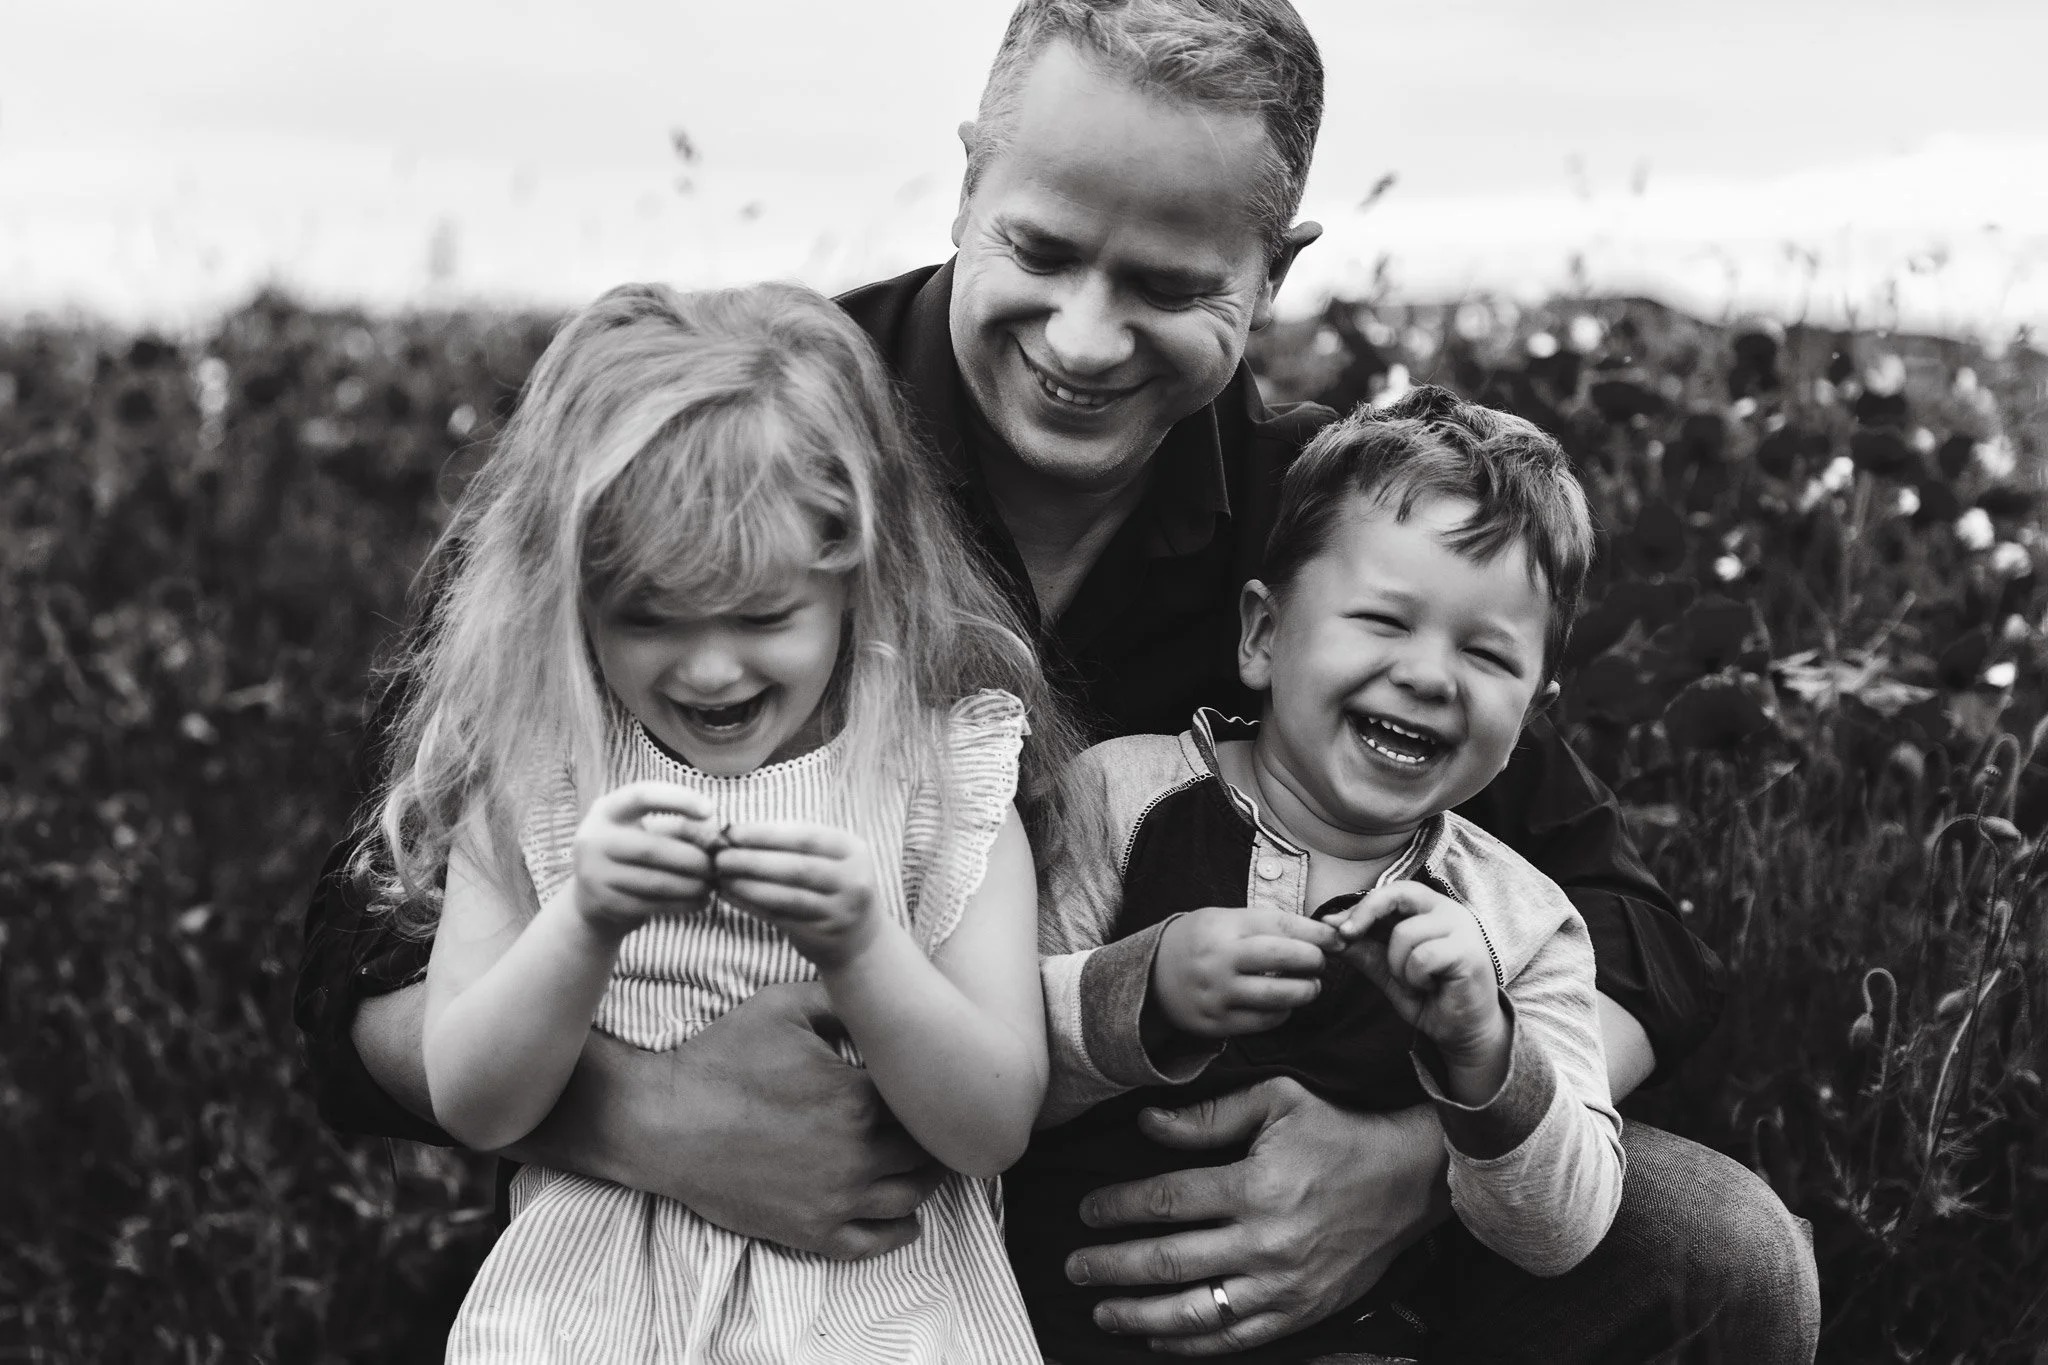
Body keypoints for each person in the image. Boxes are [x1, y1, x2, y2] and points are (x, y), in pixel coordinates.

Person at [296, 1, 1819, 1359]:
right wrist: (646, 1120)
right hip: (777, 1235)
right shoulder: (740, 449)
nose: (1086, 337)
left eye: (1169, 283)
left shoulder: (1327, 537)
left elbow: (1629, 932)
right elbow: (369, 950)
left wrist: (1414, 1162)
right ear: (968, 178)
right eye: (1037, 250)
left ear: (1273, 270)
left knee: (1723, 1255)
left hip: (1158, 1223)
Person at [362, 280, 1070, 1361]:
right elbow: (474, 1100)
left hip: (880, 1324)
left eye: (760, 615)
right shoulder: (541, 778)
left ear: (855, 576)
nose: (706, 667)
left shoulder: (938, 778)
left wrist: (861, 947)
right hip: (589, 1323)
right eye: (646, 617)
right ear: (571, 596)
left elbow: (990, 1123)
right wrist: (584, 924)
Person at [1013, 386, 1623, 1362]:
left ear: (1533, 713)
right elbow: (985, 1071)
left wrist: (1483, 1052)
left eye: (1483, 653)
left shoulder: (1517, 922)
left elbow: (1564, 1228)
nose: (1428, 676)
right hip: (1036, 1325)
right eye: (1382, 622)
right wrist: (1147, 989)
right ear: (1261, 636)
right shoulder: (1117, 800)